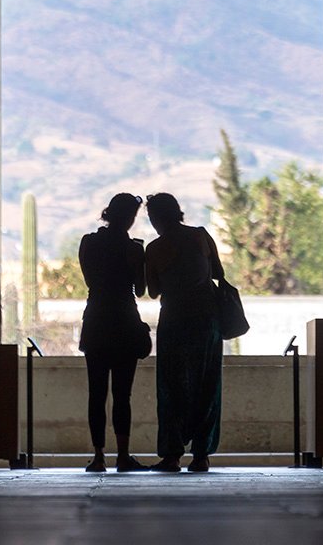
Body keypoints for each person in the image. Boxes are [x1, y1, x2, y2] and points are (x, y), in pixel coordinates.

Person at [144, 193, 224, 472]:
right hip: (206, 320)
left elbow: (153, 291)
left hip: (175, 320)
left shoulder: (154, 248)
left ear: (155, 218)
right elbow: (218, 272)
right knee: (207, 384)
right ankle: (201, 455)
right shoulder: (201, 237)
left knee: (172, 387)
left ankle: (171, 455)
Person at [78, 193, 150, 473]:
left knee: (96, 393)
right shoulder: (133, 249)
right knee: (122, 394)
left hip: (96, 320)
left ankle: (98, 456)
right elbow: (141, 290)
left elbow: (89, 280)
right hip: (124, 321)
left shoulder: (89, 243)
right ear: (130, 217)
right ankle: (122, 455)